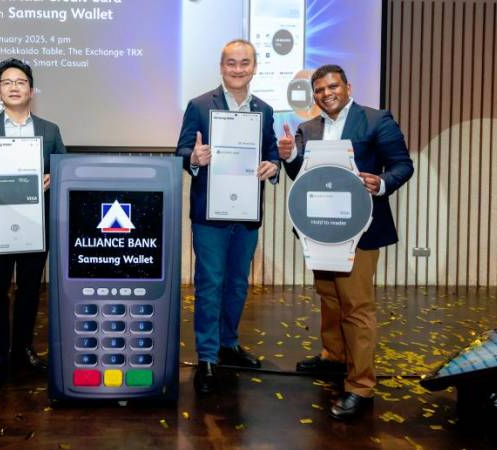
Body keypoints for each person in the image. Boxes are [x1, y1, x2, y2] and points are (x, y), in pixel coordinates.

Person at [278, 64, 414, 420]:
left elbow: (403, 165)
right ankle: (334, 357)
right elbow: (302, 175)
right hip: (321, 230)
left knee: (356, 306)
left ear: (348, 87)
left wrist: (381, 183)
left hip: (361, 231)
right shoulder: (309, 128)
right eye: (320, 90)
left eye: (332, 86)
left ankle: (360, 387)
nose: (326, 94)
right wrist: (290, 155)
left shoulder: (375, 120)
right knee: (329, 298)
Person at [176, 39, 280, 395]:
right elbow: (181, 152)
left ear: (254, 67)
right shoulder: (200, 106)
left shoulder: (265, 110)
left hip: (247, 213)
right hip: (210, 214)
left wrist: (274, 164)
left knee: (237, 284)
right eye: (231, 63)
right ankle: (207, 356)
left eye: (244, 63)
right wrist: (195, 157)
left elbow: (271, 154)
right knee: (210, 284)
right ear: (222, 67)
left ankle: (228, 344)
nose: (238, 69)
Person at [0, 58, 67, 397]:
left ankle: (22, 350)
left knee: (28, 292)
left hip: (36, 226)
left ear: (31, 90)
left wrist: (56, 175)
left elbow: (62, 165)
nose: (14, 87)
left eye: (20, 81)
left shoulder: (49, 130)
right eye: (7, 82)